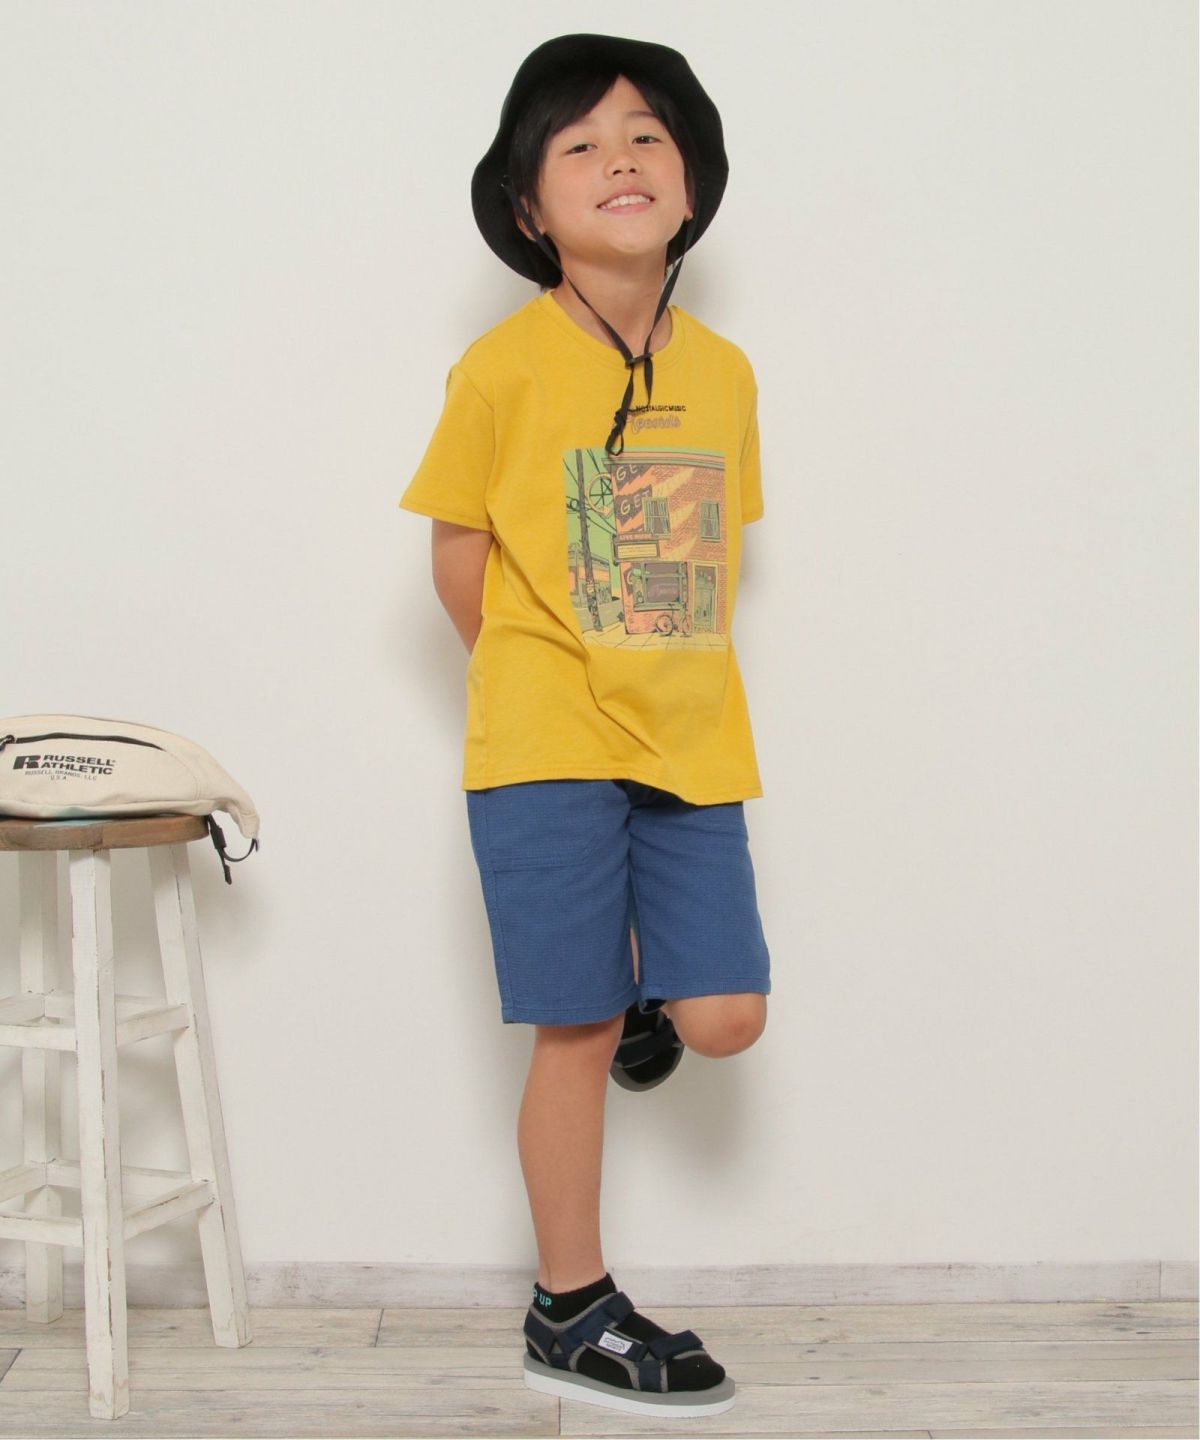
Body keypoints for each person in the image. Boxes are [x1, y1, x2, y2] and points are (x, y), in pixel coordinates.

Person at [398, 33, 770, 1419]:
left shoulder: (725, 371)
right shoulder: (501, 368)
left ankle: (636, 1004)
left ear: (693, 186)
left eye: (648, 136)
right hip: (547, 742)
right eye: (581, 143)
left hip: (689, 740)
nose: (622, 157)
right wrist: (530, 680)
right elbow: (459, 554)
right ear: (527, 206)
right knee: (573, 1022)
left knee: (723, 1017)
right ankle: (571, 1304)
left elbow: (710, 557)